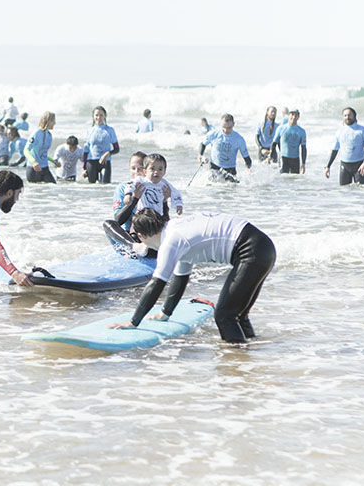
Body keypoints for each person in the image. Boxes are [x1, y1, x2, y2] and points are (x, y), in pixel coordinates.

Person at [109, 209, 276, 344]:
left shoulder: (170, 241)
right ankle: (251, 354)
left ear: (141, 236)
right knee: (237, 315)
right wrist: (165, 313)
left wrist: (133, 322)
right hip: (263, 246)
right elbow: (180, 277)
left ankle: (236, 366)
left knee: (225, 316)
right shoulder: (175, 230)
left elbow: (156, 284)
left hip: (250, 251)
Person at [324, 107, 364, 185]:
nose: (347, 117)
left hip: (359, 165)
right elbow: (334, 150)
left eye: (349, 115)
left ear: (354, 116)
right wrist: (328, 166)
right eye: (345, 115)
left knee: (361, 190)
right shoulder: (339, 132)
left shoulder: (362, 130)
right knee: (344, 191)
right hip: (344, 166)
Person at [199, 113, 252, 182]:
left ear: (233, 124)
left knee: (231, 190)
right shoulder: (214, 134)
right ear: (221, 124)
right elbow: (203, 144)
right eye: (223, 127)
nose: (226, 130)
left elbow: (247, 158)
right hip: (214, 167)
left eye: (229, 128)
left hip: (230, 169)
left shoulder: (239, 139)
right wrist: (200, 155)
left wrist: (247, 168)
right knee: (212, 188)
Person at [82, 106, 120, 183]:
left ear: (105, 116)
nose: (98, 117)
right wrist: (83, 168)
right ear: (93, 116)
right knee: (92, 188)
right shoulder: (89, 131)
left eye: (101, 115)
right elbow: (86, 150)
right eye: (96, 115)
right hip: (91, 162)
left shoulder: (110, 130)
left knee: (105, 185)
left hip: (105, 162)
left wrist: (108, 153)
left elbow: (117, 149)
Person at [23, 111, 56, 183]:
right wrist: (34, 162)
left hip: (45, 168)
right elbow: (26, 150)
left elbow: (42, 154)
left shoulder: (49, 135)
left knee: (53, 187)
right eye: (53, 121)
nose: (55, 123)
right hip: (33, 169)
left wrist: (53, 161)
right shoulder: (36, 133)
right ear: (48, 121)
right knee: (37, 192)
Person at [271, 109, 307, 174]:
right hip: (283, 158)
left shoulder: (301, 131)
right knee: (283, 180)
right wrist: (272, 158)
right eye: (292, 115)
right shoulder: (281, 128)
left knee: (295, 180)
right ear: (288, 116)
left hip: (295, 159)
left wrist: (303, 164)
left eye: (296, 115)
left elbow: (303, 148)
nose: (293, 117)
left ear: (298, 117)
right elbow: (274, 144)